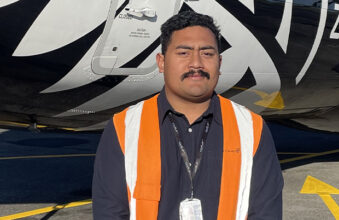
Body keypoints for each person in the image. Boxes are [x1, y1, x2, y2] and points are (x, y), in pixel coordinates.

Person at [92, 11, 283, 220]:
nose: (196, 64)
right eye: (184, 53)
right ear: (161, 62)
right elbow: (109, 212)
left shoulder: (251, 129)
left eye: (207, 54)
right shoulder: (124, 128)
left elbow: (266, 213)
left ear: (219, 63)